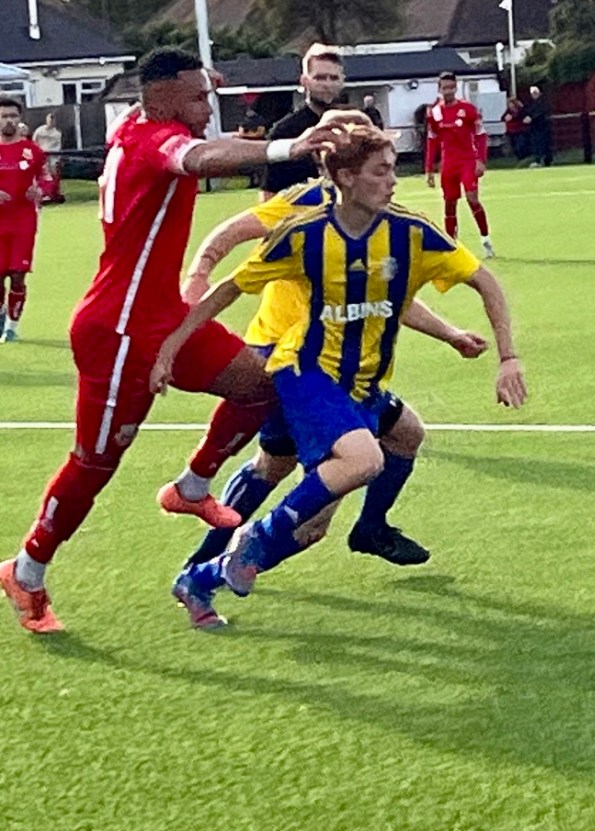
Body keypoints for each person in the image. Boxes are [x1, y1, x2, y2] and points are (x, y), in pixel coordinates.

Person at [0, 47, 347, 634]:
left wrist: (197, 86)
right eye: (197, 98)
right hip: (119, 329)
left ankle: (192, 485)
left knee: (261, 385)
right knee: (95, 462)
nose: (207, 108)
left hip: (163, 314)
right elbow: (201, 157)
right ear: (161, 97)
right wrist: (287, 147)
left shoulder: (138, 121)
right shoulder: (155, 140)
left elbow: (187, 122)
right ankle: (26, 570)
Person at [151, 125, 527, 624]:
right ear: (344, 174)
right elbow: (232, 279)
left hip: (362, 381)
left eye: (393, 168)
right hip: (300, 368)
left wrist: (493, 351)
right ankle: (242, 545)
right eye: (381, 170)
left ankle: (206, 577)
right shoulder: (303, 220)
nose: (394, 180)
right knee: (334, 462)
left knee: (380, 459)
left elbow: (453, 285)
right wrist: (174, 337)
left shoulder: (408, 232)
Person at [261, 42, 346, 200]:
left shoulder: (354, 125)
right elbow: (269, 195)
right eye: (319, 78)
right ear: (304, 81)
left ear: (342, 81)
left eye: (334, 78)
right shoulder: (285, 131)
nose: (327, 84)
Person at [425, 71, 495, 258]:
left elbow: (480, 135)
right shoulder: (435, 112)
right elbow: (432, 141)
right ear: (439, 89)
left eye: (451, 87)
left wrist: (481, 160)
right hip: (449, 163)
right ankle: (451, 245)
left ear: (456, 87)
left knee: (472, 198)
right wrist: (429, 169)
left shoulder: (468, 109)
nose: (448, 91)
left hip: (467, 160)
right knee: (449, 203)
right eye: (444, 88)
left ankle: (486, 239)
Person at [0, 97, 45, 344]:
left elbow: (46, 178)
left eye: (13, 116)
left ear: (20, 119)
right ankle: (1, 316)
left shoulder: (33, 151)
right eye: (4, 116)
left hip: (23, 221)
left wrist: (41, 191)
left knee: (18, 274)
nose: (9, 121)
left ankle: (12, 327)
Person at [32, 112, 63, 203]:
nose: (51, 122)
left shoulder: (57, 133)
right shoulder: (40, 130)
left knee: (53, 174)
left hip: (53, 155)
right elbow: (34, 141)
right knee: (42, 174)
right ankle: (43, 193)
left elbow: (58, 146)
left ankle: (53, 194)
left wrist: (57, 157)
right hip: (41, 155)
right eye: (49, 119)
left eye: (53, 120)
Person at [236, 106, 269, 187]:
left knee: (260, 167)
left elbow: (260, 132)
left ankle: (259, 181)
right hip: (252, 149)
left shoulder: (258, 121)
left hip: (257, 148)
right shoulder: (245, 122)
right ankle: (255, 181)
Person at [522, 85, 553, 167]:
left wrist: (531, 118)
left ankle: (543, 160)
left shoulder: (542, 102)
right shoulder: (533, 102)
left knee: (542, 144)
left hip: (542, 127)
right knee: (538, 144)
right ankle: (542, 160)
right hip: (536, 127)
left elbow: (541, 112)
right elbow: (528, 111)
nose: (533, 95)